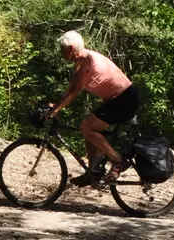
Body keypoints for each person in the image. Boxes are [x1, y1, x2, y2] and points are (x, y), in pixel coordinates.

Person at [46, 30, 143, 185]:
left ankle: (118, 160)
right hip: (119, 99)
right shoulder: (82, 60)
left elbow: (73, 91)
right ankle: (93, 171)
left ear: (71, 49)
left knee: (86, 127)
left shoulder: (87, 62)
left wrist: (54, 111)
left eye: (62, 49)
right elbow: (71, 87)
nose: (60, 52)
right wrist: (57, 105)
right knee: (88, 127)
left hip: (124, 99)